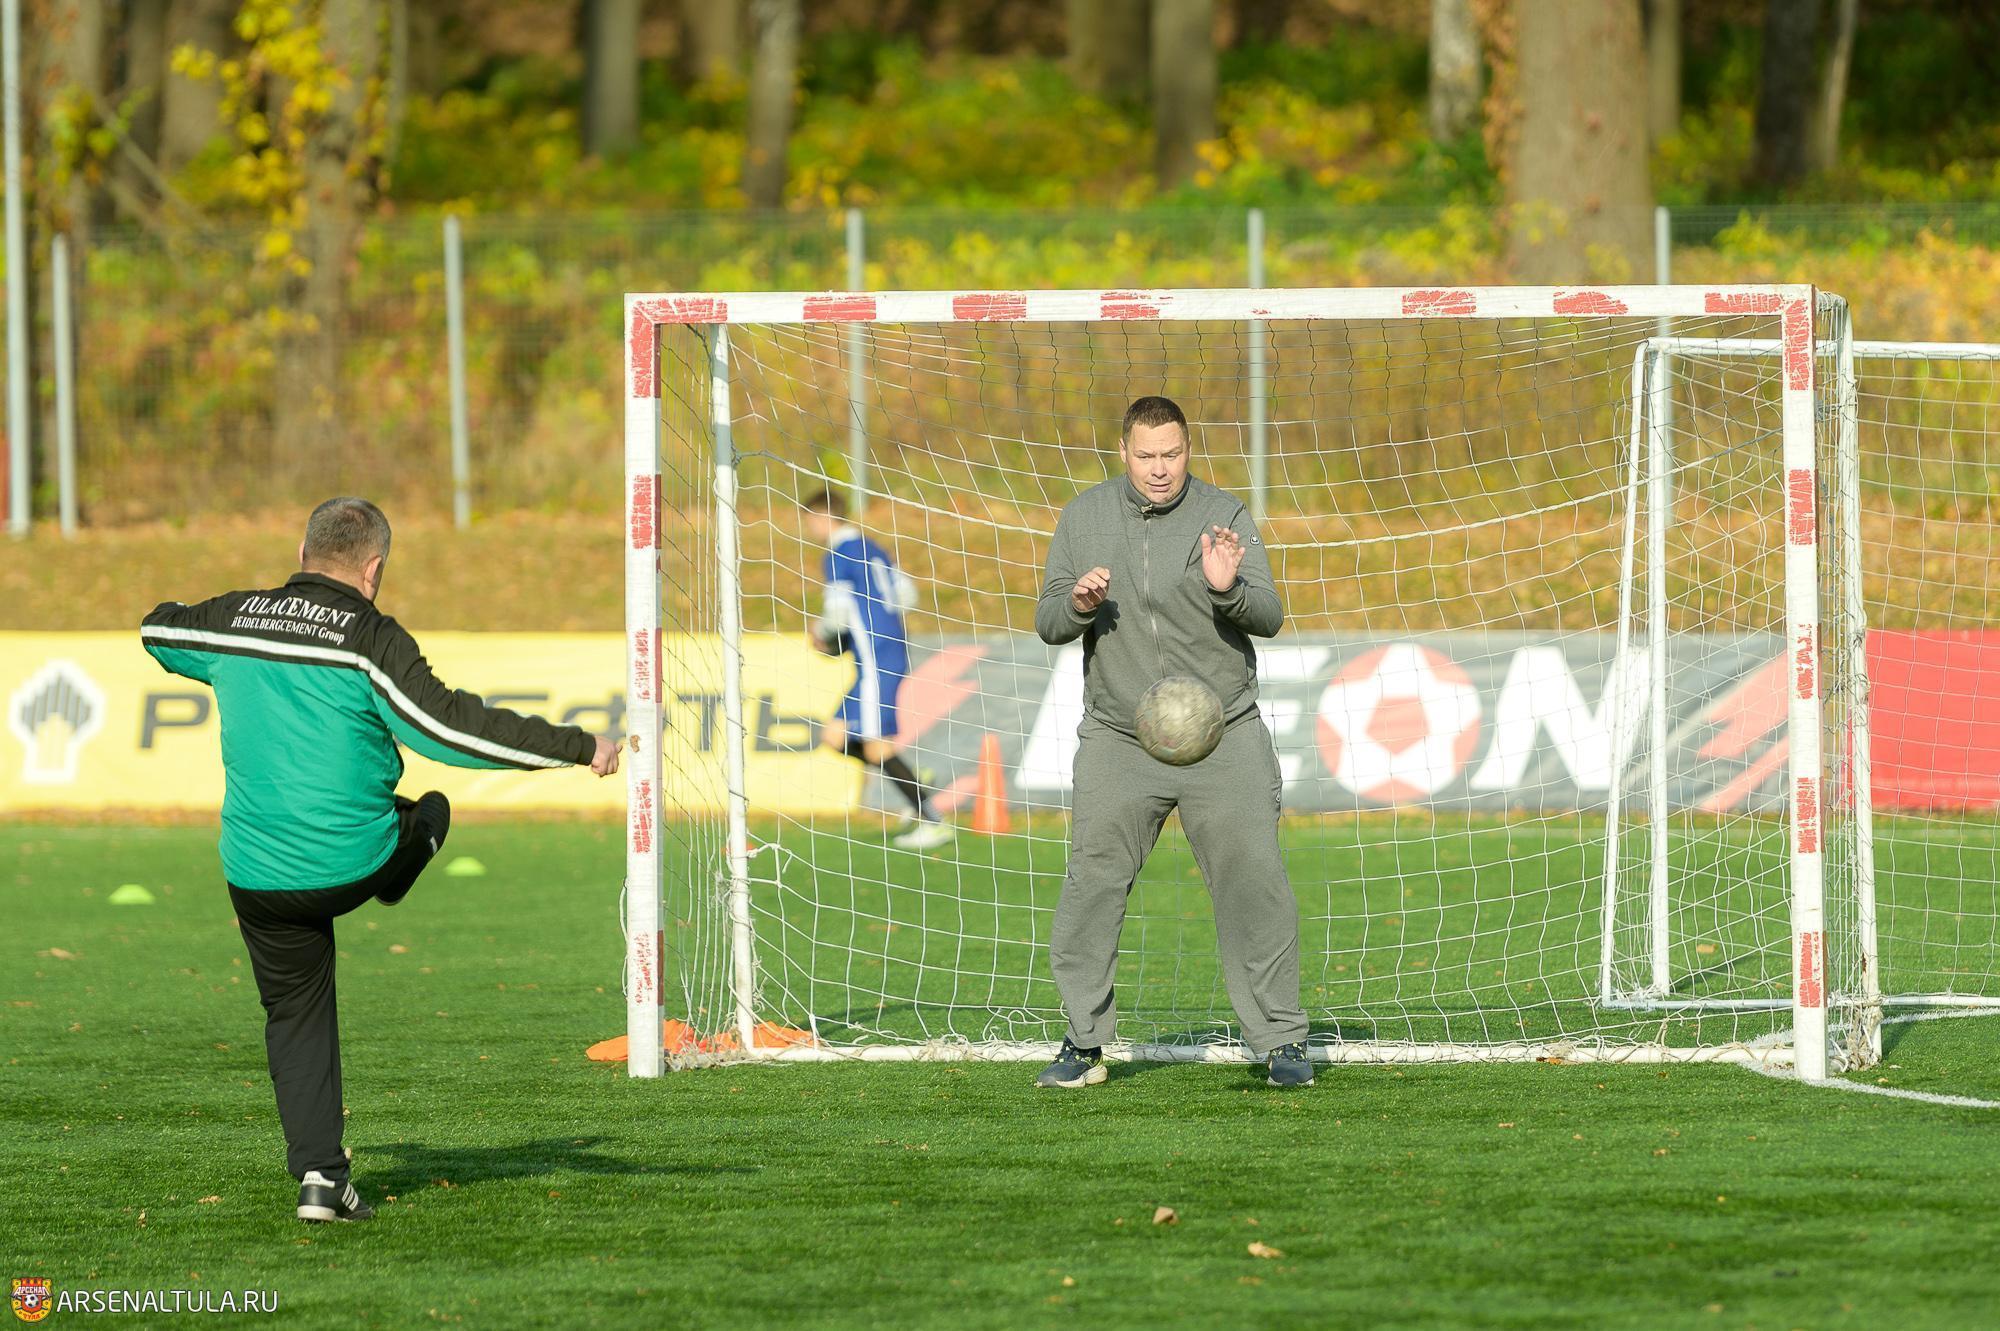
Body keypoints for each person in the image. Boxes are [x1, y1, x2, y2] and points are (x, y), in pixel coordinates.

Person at [139, 498, 620, 1223]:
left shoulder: (236, 618)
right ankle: (408, 859)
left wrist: (219, 618)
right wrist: (579, 746)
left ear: (302, 553)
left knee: (294, 1014)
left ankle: (320, 1177)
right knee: (431, 810)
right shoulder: (370, 638)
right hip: (351, 862)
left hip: (257, 874)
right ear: (373, 570)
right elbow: (450, 728)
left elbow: (157, 628)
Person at [1033, 396, 1311, 1089]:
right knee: (1092, 882)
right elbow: (1048, 622)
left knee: (1254, 881)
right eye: (1146, 456)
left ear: (1189, 449)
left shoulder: (1225, 516)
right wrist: (1078, 605)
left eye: (1172, 454)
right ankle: (1083, 1041)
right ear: (1124, 453)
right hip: (1120, 736)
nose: (1160, 469)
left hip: (1224, 734)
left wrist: (1227, 590)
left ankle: (1280, 1040)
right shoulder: (1083, 517)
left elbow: (1269, 614)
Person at [800, 488, 952, 851]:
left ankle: (934, 821)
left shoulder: (837, 554)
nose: (809, 528)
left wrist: (821, 633)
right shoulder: (873, 547)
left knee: (877, 748)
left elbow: (837, 615)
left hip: (875, 658)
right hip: (885, 651)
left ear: (823, 517)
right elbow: (907, 595)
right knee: (835, 738)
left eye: (809, 520)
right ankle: (913, 781)